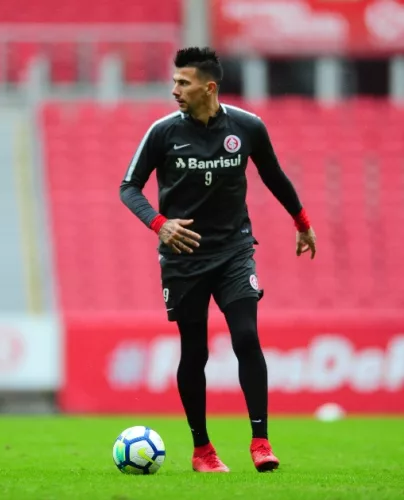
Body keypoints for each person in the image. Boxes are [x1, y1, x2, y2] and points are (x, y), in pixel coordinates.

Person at [119, 47, 316, 473]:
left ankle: (261, 443)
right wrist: (159, 224)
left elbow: (274, 175)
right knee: (195, 352)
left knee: (246, 336)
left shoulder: (247, 127)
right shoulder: (162, 133)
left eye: (183, 83)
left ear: (208, 87)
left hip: (234, 251)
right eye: (174, 82)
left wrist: (301, 221)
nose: (174, 90)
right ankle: (202, 451)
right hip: (183, 257)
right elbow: (128, 187)